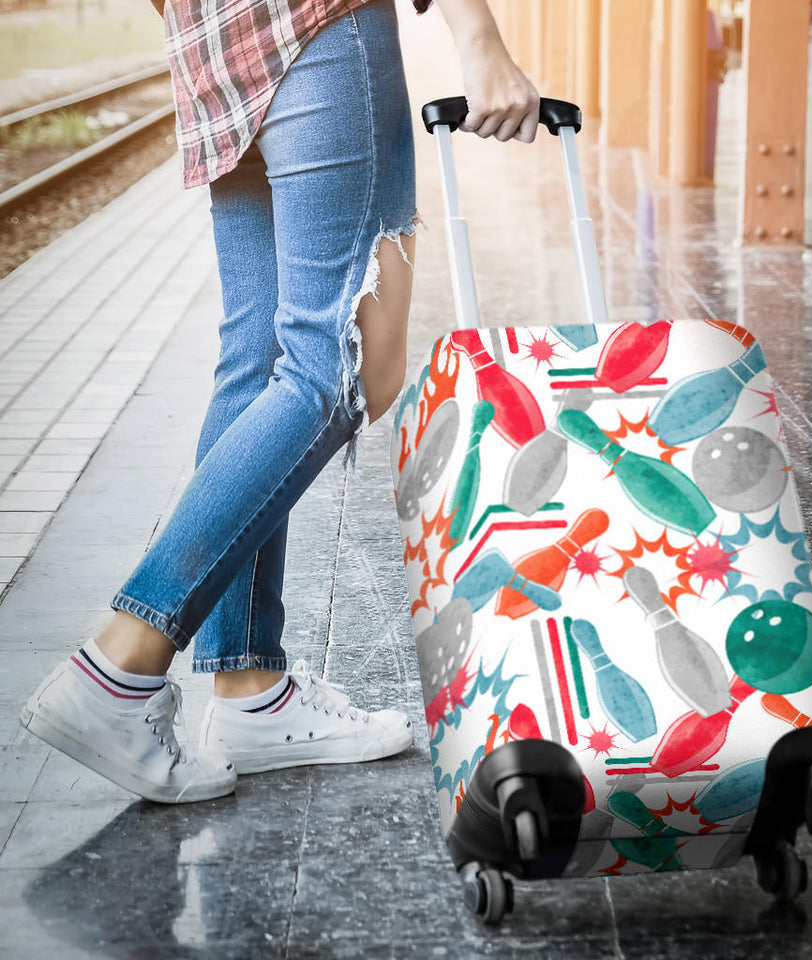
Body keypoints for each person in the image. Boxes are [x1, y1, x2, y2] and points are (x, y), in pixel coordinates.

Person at [20, 0, 540, 803]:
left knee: (258, 361)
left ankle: (248, 689)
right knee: (337, 367)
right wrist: (480, 40)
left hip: (214, 47)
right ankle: (120, 665)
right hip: (320, 25)